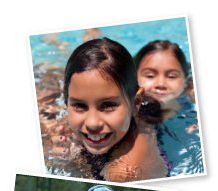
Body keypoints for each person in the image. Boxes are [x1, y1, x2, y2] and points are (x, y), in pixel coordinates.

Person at [51, 37, 169, 182]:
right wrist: (71, 156)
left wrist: (75, 164)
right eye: (80, 105)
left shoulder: (125, 172)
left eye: (108, 105)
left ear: (136, 103)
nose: (92, 123)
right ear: (67, 102)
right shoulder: (68, 128)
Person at [134, 40, 204, 176]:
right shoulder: (130, 106)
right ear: (133, 77)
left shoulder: (189, 99)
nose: (161, 83)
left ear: (184, 80)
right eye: (150, 75)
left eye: (171, 76)